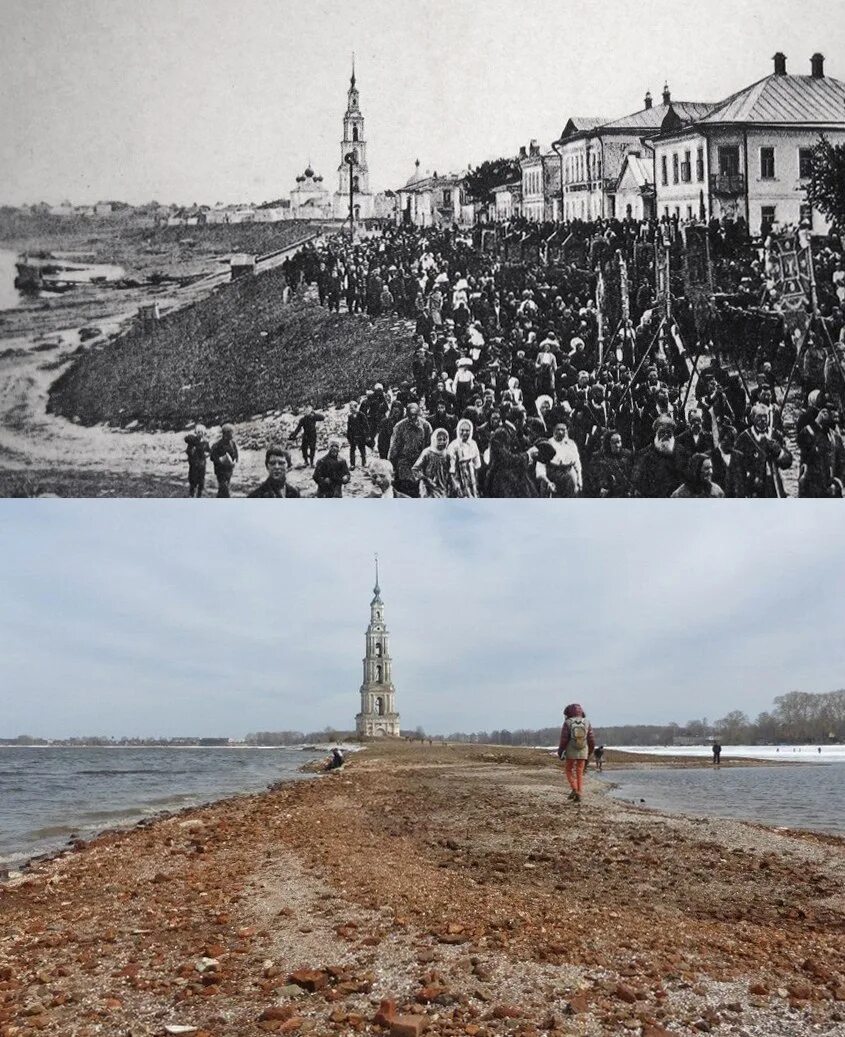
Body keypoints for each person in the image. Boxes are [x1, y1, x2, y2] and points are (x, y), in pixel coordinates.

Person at [388, 402, 432, 497]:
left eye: (415, 415)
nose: (413, 417)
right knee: (405, 489)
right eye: (410, 415)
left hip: (419, 462)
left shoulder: (426, 426)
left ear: (419, 413)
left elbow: (429, 446)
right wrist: (392, 464)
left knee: (419, 489)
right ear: (406, 414)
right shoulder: (399, 426)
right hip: (404, 462)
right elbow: (394, 447)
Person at [557, 702, 595, 804]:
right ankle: (579, 792)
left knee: (569, 770)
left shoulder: (568, 722)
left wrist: (560, 751)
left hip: (571, 749)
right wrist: (590, 752)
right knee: (579, 772)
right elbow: (591, 739)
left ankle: (574, 788)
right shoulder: (586, 722)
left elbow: (564, 739)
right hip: (583, 749)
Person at [412, 428, 452, 498]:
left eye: (444, 439)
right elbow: (415, 469)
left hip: (442, 487)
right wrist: (425, 479)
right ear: (434, 440)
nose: (442, 442)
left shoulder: (447, 455)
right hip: (428, 488)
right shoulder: (427, 453)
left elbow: (449, 471)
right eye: (439, 439)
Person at [447, 418, 482, 498]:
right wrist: (456, 485)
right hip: (458, 478)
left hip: (472, 479)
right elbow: (451, 470)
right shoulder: (453, 445)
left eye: (467, 430)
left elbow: (477, 464)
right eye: (462, 430)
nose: (464, 433)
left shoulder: (473, 444)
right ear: (458, 430)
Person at [210, 424, 239, 498]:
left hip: (229, 470)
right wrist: (220, 460)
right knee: (224, 487)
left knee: (223, 488)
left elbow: (235, 454)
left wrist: (235, 460)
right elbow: (212, 457)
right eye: (231, 432)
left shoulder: (232, 443)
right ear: (226, 433)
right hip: (220, 471)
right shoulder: (217, 445)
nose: (233, 434)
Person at [184, 424, 210, 497]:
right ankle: (192, 494)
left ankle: (199, 495)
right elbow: (188, 450)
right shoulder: (192, 441)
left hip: (202, 465)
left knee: (201, 481)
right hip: (194, 464)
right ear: (196, 432)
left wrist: (207, 454)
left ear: (204, 433)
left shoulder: (205, 442)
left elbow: (209, 451)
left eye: (201, 432)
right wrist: (191, 452)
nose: (200, 434)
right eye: (198, 432)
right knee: (193, 480)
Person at [346, 401, 370, 469]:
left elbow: (366, 425)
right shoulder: (350, 416)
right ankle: (352, 464)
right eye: (350, 408)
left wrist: (367, 435)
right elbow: (349, 427)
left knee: (362, 448)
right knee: (352, 449)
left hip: (361, 434)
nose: (351, 409)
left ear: (356, 407)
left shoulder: (361, 415)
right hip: (353, 435)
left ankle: (364, 462)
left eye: (352, 407)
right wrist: (348, 436)